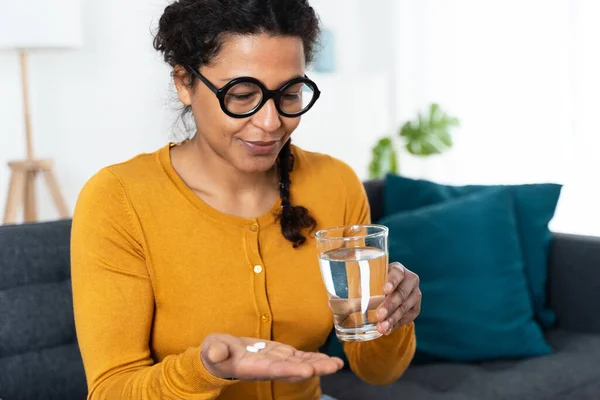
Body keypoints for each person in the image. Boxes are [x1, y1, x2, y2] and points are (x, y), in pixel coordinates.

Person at [70, 1, 422, 399]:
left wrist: (394, 318)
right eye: (241, 94)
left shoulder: (335, 184)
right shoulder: (119, 199)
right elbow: (111, 390)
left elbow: (378, 372)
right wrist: (204, 370)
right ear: (184, 83)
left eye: (290, 93)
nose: (271, 122)